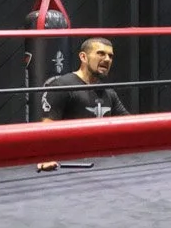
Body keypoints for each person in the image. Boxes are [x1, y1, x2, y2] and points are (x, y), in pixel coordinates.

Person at [38, 37, 129, 172]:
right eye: (101, 53)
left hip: (103, 163)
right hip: (71, 164)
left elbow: (127, 122)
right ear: (83, 57)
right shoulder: (62, 85)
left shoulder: (108, 92)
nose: (107, 59)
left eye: (110, 56)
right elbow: (47, 124)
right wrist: (45, 157)